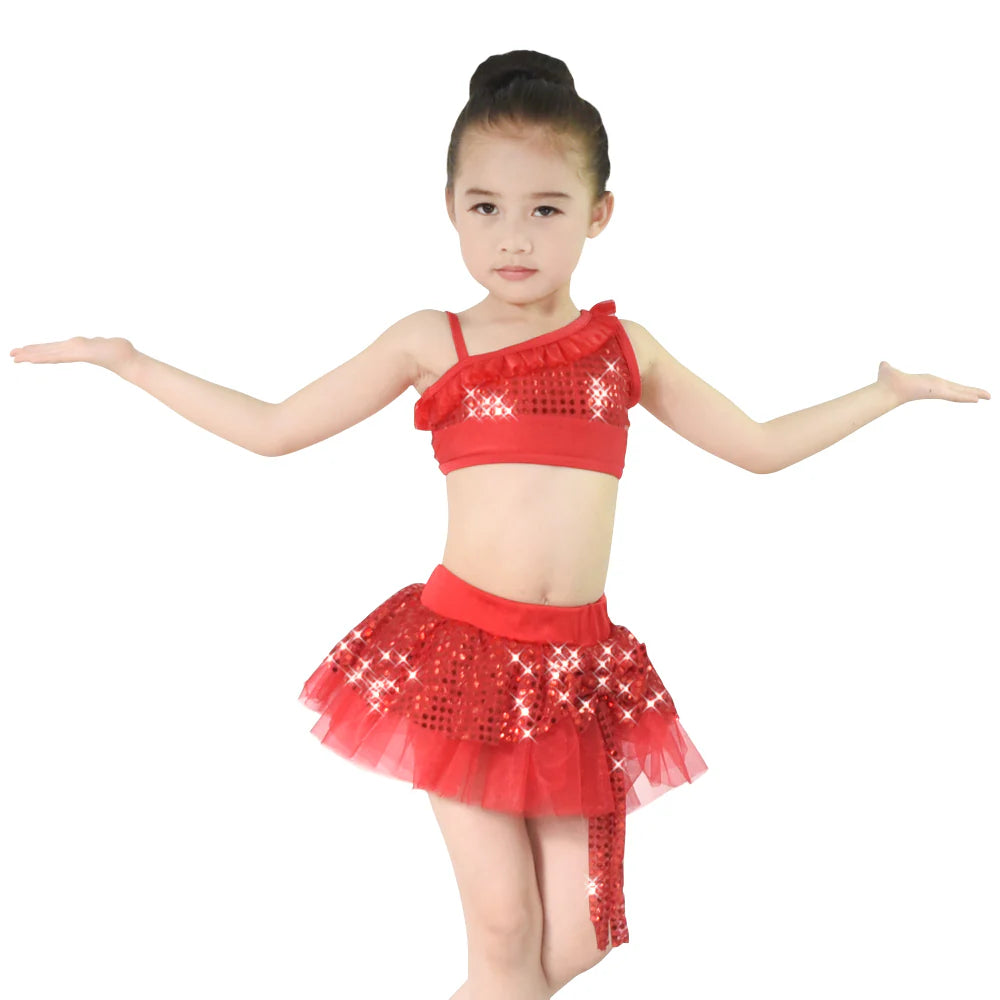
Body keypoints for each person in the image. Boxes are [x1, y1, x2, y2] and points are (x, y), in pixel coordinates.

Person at [9, 47, 990, 1000]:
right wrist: (131, 364)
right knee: (505, 935)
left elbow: (759, 445)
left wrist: (885, 395)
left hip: (578, 672)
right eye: (486, 208)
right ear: (450, 207)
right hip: (464, 661)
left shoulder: (624, 348)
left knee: (583, 935)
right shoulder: (431, 340)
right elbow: (273, 429)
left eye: (545, 209)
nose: (513, 238)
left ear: (598, 214)